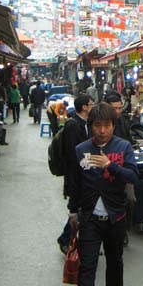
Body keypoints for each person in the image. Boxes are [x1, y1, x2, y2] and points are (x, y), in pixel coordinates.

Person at [67, 102, 139, 286]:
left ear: (113, 126)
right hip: (89, 217)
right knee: (87, 265)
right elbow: (74, 183)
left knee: (114, 261)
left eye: (106, 125)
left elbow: (133, 176)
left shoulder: (123, 147)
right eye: (97, 125)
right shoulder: (81, 150)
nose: (102, 130)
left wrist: (111, 165)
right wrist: (72, 211)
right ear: (91, 127)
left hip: (116, 216)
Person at [57, 94, 93, 253]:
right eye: (91, 104)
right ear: (84, 107)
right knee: (76, 209)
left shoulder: (85, 123)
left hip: (84, 172)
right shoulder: (73, 125)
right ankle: (65, 239)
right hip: (75, 174)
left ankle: (77, 239)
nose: (92, 107)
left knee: (81, 208)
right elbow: (72, 154)